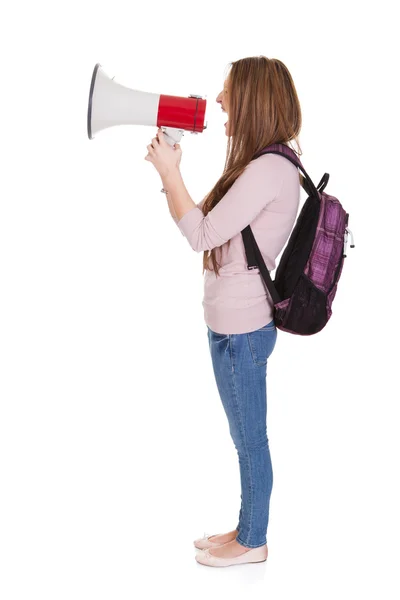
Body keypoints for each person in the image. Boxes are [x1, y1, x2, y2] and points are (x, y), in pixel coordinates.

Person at [144, 55, 302, 567]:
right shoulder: (263, 165)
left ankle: (252, 542)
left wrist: (170, 173)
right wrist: (173, 175)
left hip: (242, 329)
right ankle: (246, 525)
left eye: (228, 90)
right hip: (232, 325)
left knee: (250, 440)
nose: (218, 100)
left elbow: (202, 235)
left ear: (252, 98)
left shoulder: (268, 169)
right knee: (243, 437)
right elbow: (211, 227)